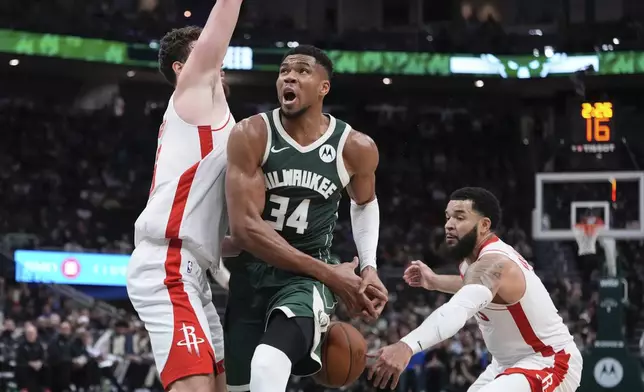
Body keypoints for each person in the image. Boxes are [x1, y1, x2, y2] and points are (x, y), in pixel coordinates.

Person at [224, 44, 389, 392]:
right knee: (239, 386)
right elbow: (244, 229)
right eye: (284, 71)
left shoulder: (355, 146)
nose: (289, 77)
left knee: (268, 361)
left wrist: (369, 265)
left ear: (323, 87)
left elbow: (364, 203)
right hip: (250, 274)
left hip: (305, 281)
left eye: (301, 71)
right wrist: (333, 274)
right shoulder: (252, 134)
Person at [125, 1, 243, 391]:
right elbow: (219, 27)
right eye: (204, 49)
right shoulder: (192, 98)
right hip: (168, 265)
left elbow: (213, 232)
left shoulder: (220, 121)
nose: (216, 55)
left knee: (230, 386)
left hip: (194, 273)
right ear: (181, 68)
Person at [367, 187, 583, 391]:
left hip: (549, 360)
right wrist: (434, 281)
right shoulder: (471, 262)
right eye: (448, 217)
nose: (449, 225)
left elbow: (459, 308)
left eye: (459, 217)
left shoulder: (494, 263)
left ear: (484, 225)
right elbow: (474, 289)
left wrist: (407, 345)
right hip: (505, 364)